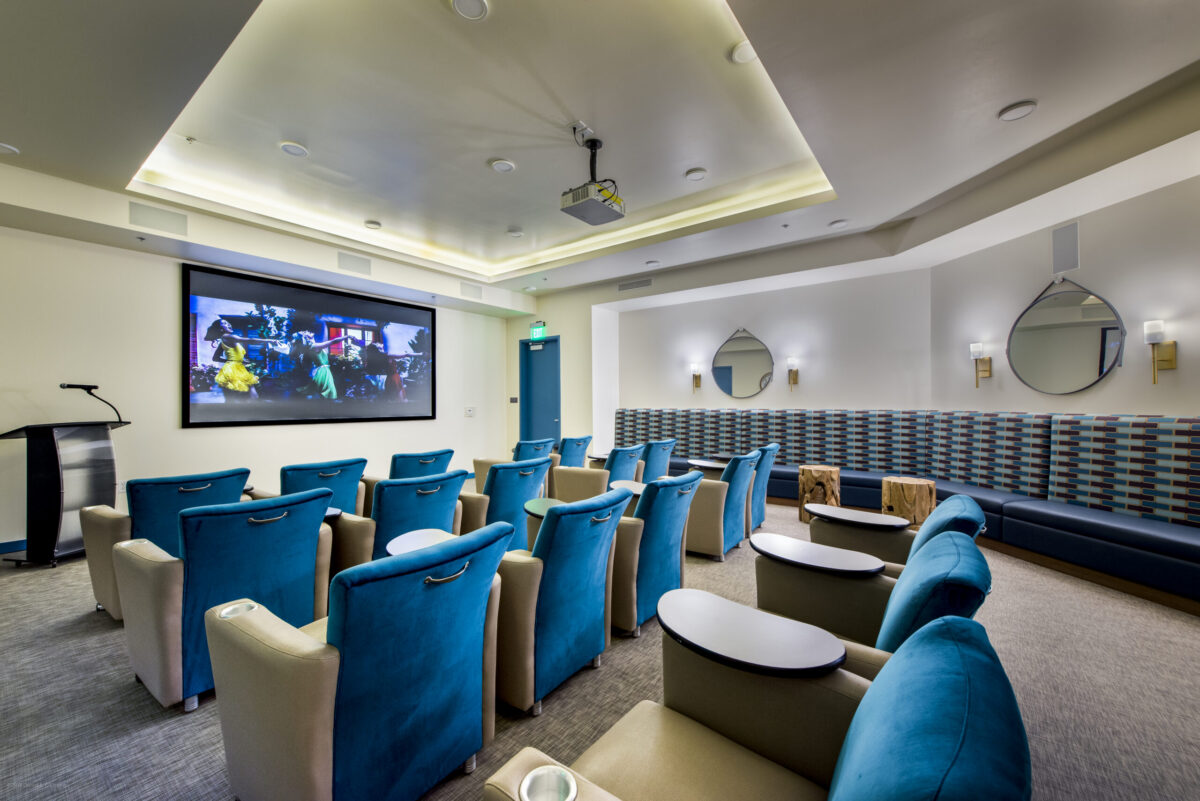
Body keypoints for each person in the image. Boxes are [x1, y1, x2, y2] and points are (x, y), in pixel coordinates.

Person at [203, 318, 279, 401]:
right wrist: (270, 341)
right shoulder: (228, 337)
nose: (229, 324)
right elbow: (251, 341)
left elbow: (215, 358)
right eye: (225, 323)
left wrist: (234, 361)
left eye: (228, 323)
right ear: (220, 329)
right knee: (250, 396)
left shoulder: (223, 341)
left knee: (240, 397)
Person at [291, 331, 357, 399]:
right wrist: (347, 336)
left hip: (321, 371)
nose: (309, 332)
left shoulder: (310, 348)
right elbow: (333, 341)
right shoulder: (315, 346)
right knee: (329, 394)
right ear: (307, 338)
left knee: (324, 394)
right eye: (307, 332)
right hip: (323, 372)